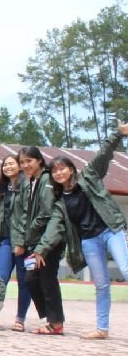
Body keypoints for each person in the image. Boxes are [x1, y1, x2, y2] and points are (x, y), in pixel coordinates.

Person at [49, 120, 128, 339]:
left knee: (126, 269)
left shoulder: (89, 176)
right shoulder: (59, 200)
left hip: (111, 230)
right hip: (89, 241)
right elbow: (56, 226)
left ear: (71, 169)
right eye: (54, 171)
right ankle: (102, 329)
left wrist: (119, 133)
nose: (59, 173)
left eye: (62, 168)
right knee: (101, 284)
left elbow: (103, 154)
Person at [16, 146, 66, 335]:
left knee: (47, 279)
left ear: (39, 160)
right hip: (34, 242)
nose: (25, 165)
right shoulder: (32, 181)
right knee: (30, 279)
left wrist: (30, 229)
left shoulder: (46, 179)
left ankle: (56, 323)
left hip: (47, 240)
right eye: (22, 162)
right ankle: (49, 318)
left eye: (29, 161)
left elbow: (46, 212)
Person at [0, 154, 31, 332]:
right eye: (5, 164)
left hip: (25, 243)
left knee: (25, 281)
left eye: (11, 163)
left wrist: (21, 242)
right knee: (0, 279)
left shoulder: (27, 186)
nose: (7, 167)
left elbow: (27, 216)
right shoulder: (2, 189)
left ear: (19, 166)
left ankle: (20, 319)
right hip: (5, 241)